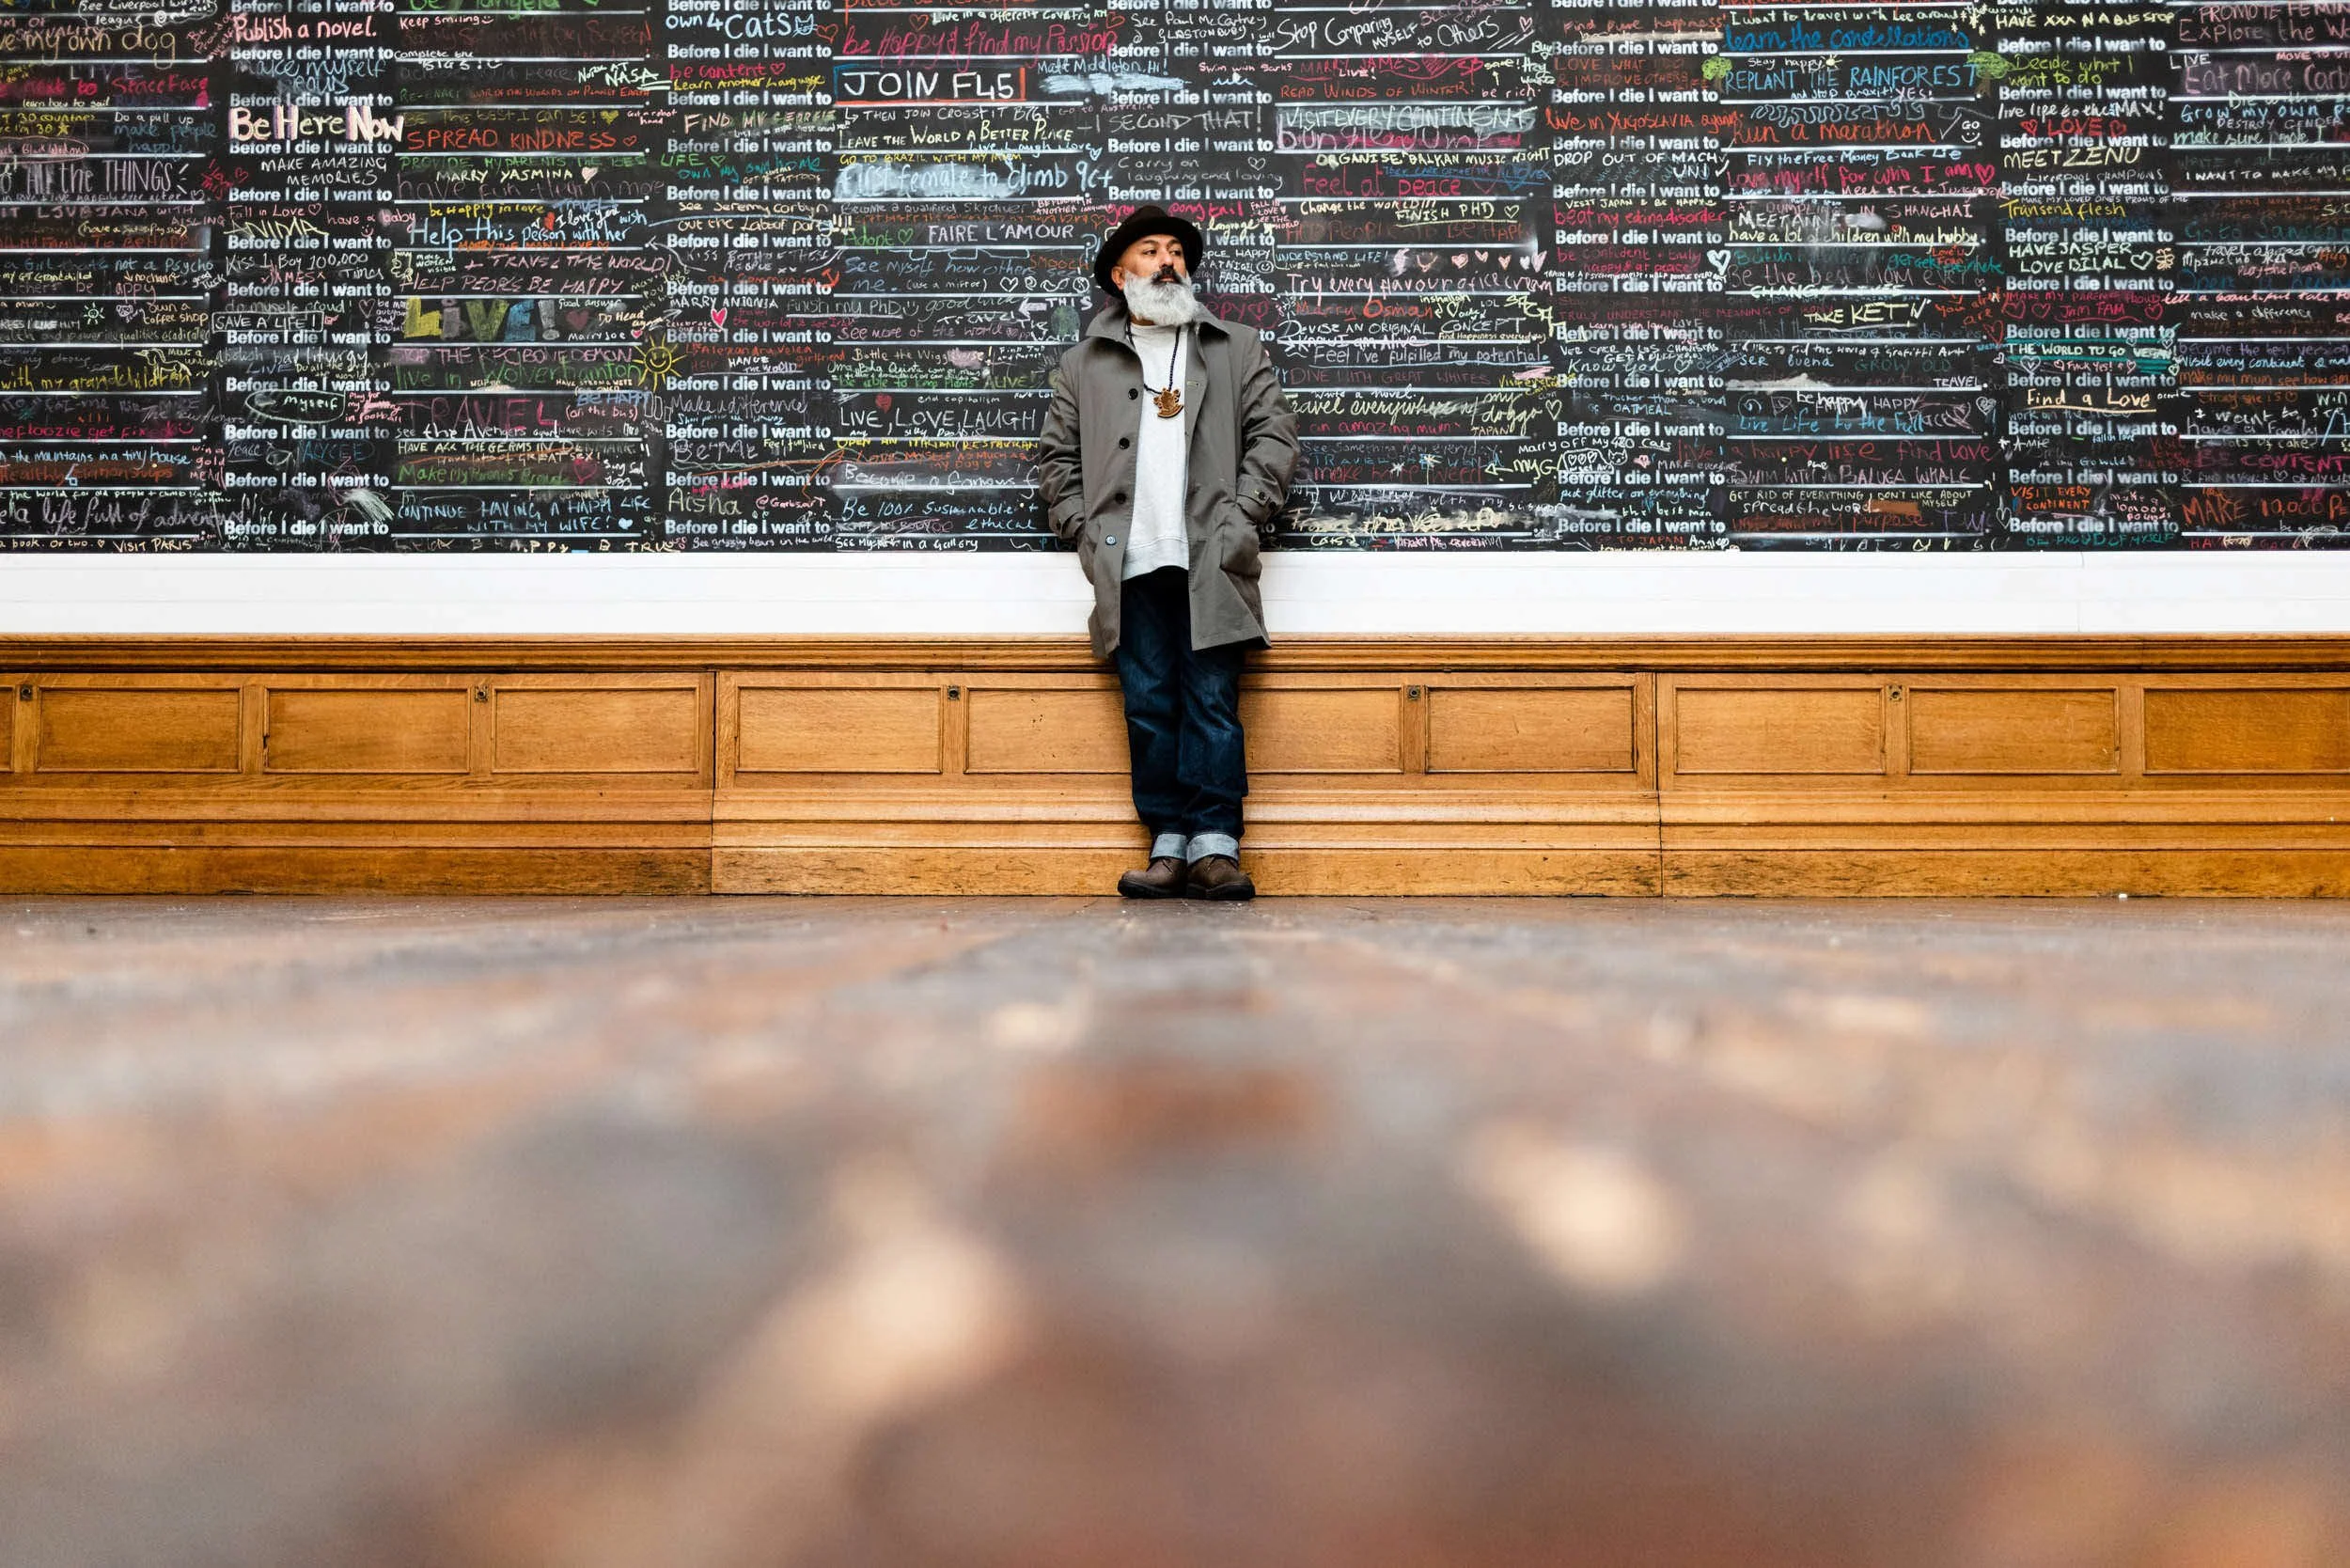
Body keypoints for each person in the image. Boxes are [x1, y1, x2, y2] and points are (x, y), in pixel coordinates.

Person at [1036, 206, 1300, 902]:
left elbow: (1274, 439)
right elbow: (1055, 461)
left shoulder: (1236, 347)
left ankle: (1215, 846)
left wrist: (1241, 520)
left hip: (1211, 557)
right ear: (1119, 277)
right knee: (1149, 704)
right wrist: (1084, 532)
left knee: (1212, 701)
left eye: (1176, 250)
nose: (1166, 261)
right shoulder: (1082, 363)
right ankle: (1167, 843)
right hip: (1127, 563)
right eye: (1149, 251)